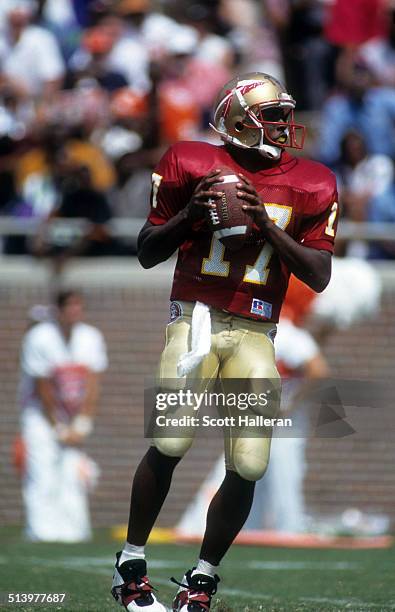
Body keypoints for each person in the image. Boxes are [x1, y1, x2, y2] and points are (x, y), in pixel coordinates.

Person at [111, 72, 338, 611]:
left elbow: (319, 275)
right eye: (273, 115)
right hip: (195, 319)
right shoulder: (190, 161)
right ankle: (130, 563)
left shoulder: (314, 182)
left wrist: (267, 225)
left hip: (257, 329)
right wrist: (191, 213)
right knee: (170, 441)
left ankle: (202, 579)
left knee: (252, 463)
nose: (284, 125)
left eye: (286, 114)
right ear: (238, 119)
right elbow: (147, 251)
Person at [19, 290, 108, 542]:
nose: (75, 312)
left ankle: (73, 533)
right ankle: (41, 532)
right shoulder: (40, 337)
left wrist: (82, 422)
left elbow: (92, 383)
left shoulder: (90, 337)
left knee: (73, 472)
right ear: (58, 310)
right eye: (70, 306)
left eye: (79, 306)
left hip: (72, 416)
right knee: (42, 471)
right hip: (40, 416)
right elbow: (43, 387)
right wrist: (58, 426)